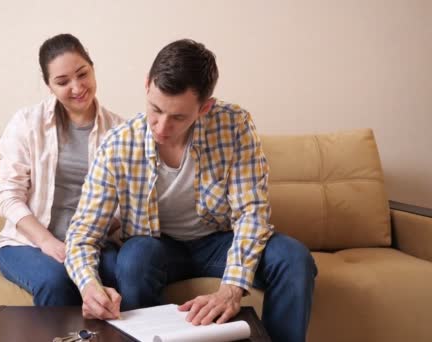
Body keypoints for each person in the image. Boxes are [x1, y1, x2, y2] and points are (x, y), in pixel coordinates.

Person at [65, 39, 317, 341]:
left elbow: (252, 212)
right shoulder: (117, 144)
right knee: (134, 258)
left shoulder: (234, 125)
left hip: (219, 241)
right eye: (155, 109)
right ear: (147, 85)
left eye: (179, 117)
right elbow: (82, 234)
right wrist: (89, 287)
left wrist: (231, 289)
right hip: (158, 246)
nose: (161, 127)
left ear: (204, 108)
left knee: (294, 258)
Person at [0, 33, 124, 306]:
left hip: (91, 242)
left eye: (82, 74)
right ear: (49, 85)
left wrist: (99, 231)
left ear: (92, 68)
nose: (77, 88)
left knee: (122, 274)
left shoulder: (118, 130)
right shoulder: (27, 123)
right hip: (27, 243)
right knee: (56, 280)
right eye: (63, 82)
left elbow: (127, 202)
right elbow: (8, 197)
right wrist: (47, 242)